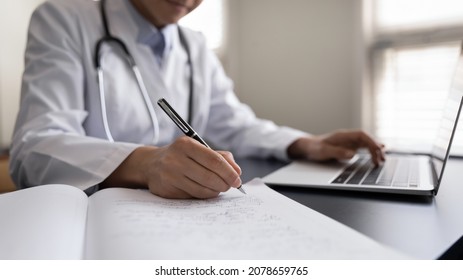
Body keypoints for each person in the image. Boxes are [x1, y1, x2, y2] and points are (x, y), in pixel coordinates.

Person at [10, 0, 384, 199]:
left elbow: (232, 122)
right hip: (95, 213)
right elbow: (34, 148)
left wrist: (306, 143)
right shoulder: (62, 18)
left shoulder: (195, 45)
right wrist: (146, 164)